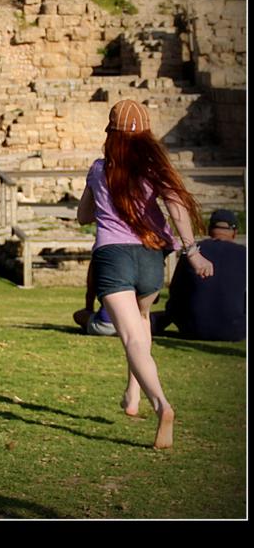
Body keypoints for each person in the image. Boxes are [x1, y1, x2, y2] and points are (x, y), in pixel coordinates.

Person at [77, 99, 213, 449]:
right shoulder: (156, 168)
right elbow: (178, 208)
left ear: (112, 134)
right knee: (141, 322)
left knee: (132, 339)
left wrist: (101, 201)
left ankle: (161, 405)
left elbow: (83, 216)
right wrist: (192, 252)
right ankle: (132, 395)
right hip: (153, 256)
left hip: (113, 256)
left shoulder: (98, 169)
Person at [152, 209, 246, 341]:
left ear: (209, 230)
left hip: (192, 328)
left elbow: (175, 293)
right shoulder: (244, 254)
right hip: (235, 330)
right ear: (235, 232)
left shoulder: (193, 254)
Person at [72, 259, 116, 336]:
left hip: (105, 325)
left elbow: (91, 291)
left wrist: (89, 311)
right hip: (133, 325)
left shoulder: (98, 259)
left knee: (78, 315)